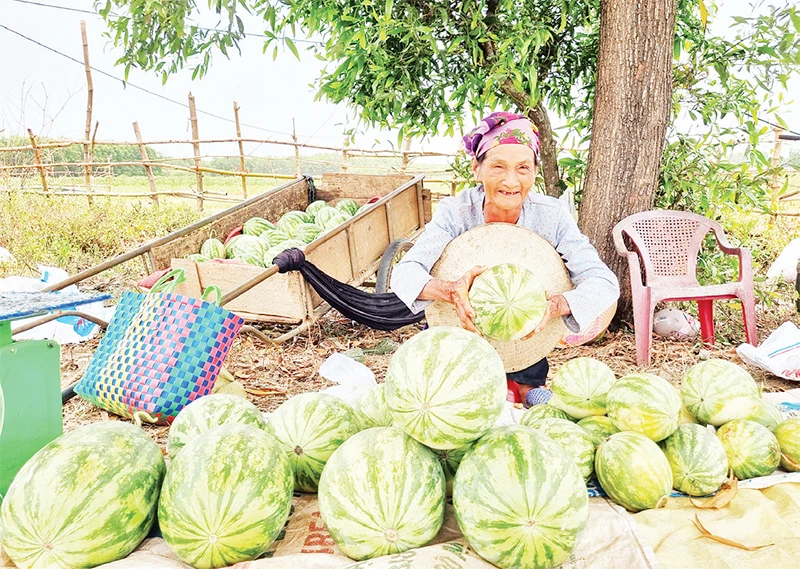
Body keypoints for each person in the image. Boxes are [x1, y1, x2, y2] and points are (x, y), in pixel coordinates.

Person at [390, 112, 620, 407]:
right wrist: (450, 291)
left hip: (522, 341)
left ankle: (529, 392)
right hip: (457, 333)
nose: (511, 181)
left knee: (528, 394)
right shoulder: (455, 212)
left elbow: (604, 283)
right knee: (446, 395)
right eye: (498, 167)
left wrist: (554, 306)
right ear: (477, 168)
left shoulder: (551, 216)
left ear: (535, 171)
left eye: (523, 168)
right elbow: (404, 273)